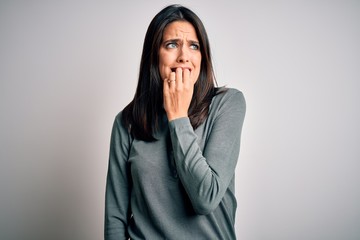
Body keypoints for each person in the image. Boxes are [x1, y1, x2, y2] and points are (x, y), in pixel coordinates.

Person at [105, 4, 246, 240]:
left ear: (202, 57)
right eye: (171, 45)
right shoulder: (126, 122)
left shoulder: (228, 104)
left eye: (194, 46)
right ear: (154, 55)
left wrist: (178, 116)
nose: (184, 56)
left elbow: (206, 198)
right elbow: (115, 218)